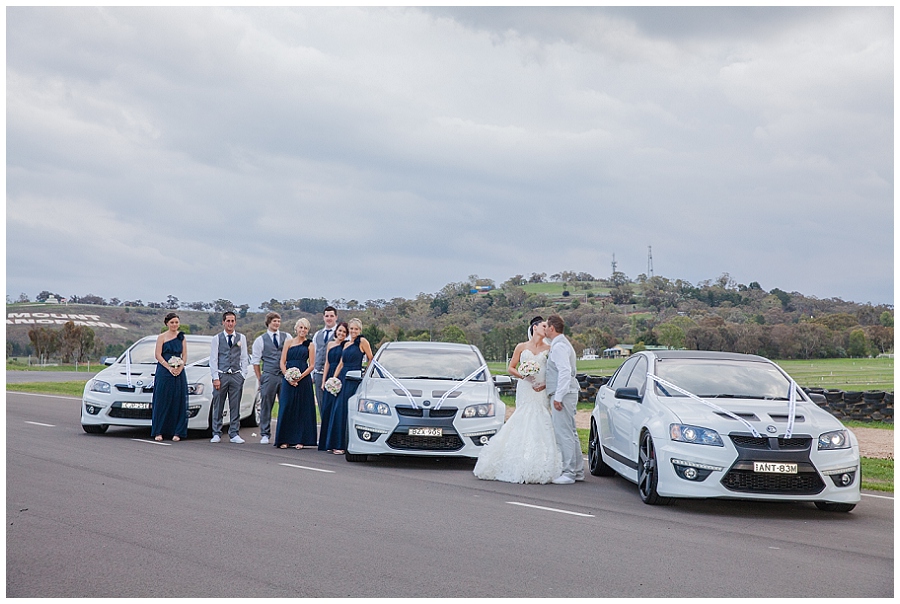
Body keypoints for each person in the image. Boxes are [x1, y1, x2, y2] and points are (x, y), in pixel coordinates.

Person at [474, 316, 561, 483]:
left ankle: (539, 460)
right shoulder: (522, 347)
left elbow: (553, 371)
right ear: (535, 327)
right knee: (523, 418)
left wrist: (544, 385)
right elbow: (511, 368)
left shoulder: (549, 348)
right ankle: (516, 458)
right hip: (525, 388)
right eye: (544, 326)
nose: (547, 328)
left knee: (540, 419)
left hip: (540, 389)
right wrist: (525, 376)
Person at [544, 314, 585, 484]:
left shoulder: (560, 346)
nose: (544, 328)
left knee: (564, 433)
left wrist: (558, 397)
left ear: (552, 328)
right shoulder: (559, 343)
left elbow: (564, 372)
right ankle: (577, 471)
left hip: (564, 394)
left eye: (546, 326)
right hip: (568, 393)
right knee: (571, 432)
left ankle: (569, 472)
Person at [322, 318, 373, 454]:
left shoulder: (362, 342)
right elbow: (341, 363)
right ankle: (335, 443)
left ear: (360, 330)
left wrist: (365, 374)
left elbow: (371, 358)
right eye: (351, 329)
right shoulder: (346, 344)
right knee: (338, 410)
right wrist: (334, 378)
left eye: (356, 329)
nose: (353, 331)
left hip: (354, 378)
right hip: (343, 378)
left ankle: (343, 445)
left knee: (346, 409)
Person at [274, 318, 318, 449]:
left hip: (303, 380)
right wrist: (288, 376)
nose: (303, 330)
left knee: (302, 408)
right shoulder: (288, 342)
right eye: (301, 327)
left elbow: (312, 365)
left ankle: (300, 439)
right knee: (287, 406)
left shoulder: (310, 345)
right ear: (296, 328)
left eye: (305, 328)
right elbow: (282, 362)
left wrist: (299, 377)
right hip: (288, 379)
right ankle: (285, 439)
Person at [209, 311, 249, 444]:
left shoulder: (241, 338)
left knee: (235, 405)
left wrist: (243, 374)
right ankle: (216, 432)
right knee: (218, 405)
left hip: (236, 375)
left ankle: (234, 433)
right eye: (228, 321)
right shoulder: (217, 338)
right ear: (223, 322)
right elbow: (213, 359)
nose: (230, 323)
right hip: (221, 374)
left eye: (232, 321)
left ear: (235, 322)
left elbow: (244, 357)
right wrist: (215, 377)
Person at [250, 312, 287, 445]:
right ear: (268, 323)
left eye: (278, 321)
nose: (276, 323)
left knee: (285, 404)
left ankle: (284, 434)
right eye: (274, 321)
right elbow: (255, 362)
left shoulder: (286, 337)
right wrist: (260, 378)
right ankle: (265, 433)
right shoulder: (260, 340)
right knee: (266, 405)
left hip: (284, 375)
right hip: (269, 375)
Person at [150, 312, 189, 442]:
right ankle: (158, 431)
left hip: (179, 372)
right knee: (162, 400)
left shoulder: (181, 337)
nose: (174, 325)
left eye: (176, 322)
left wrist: (180, 367)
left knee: (177, 401)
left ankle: (177, 432)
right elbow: (158, 354)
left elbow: (184, 355)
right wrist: (169, 367)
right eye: (172, 322)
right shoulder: (161, 337)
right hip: (164, 371)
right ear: (167, 323)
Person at [317, 321, 348, 452]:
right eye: (340, 331)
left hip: (340, 376)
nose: (341, 333)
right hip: (330, 376)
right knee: (327, 409)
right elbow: (327, 363)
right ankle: (327, 442)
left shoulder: (346, 345)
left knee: (337, 410)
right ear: (336, 331)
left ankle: (337, 442)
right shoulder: (330, 344)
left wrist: (336, 378)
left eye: (344, 332)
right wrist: (324, 381)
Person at [311, 306, 339, 411]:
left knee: (333, 404)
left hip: (334, 373)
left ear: (336, 317)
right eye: (327, 316)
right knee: (321, 403)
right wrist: (312, 373)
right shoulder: (317, 335)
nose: (329, 318)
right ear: (323, 317)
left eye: (331, 316)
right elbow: (313, 354)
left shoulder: (341, 333)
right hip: (318, 373)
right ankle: (324, 426)